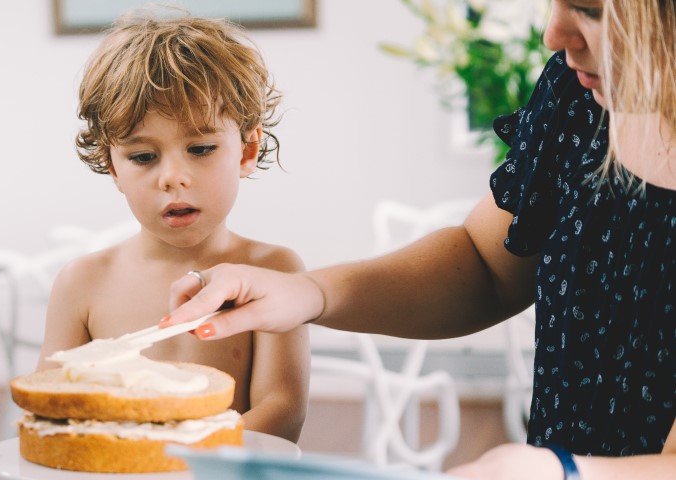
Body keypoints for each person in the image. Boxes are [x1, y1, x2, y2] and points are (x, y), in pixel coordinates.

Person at [162, 0, 675, 477]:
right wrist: (310, 292)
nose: (553, 34)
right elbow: (485, 266)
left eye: (589, 10)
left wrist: (559, 470)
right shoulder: (578, 93)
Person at [36, 10, 310, 443]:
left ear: (246, 150)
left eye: (200, 148)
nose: (172, 177)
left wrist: (178, 463)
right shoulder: (82, 282)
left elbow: (283, 410)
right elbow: (51, 403)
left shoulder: (272, 271)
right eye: (143, 157)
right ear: (112, 166)